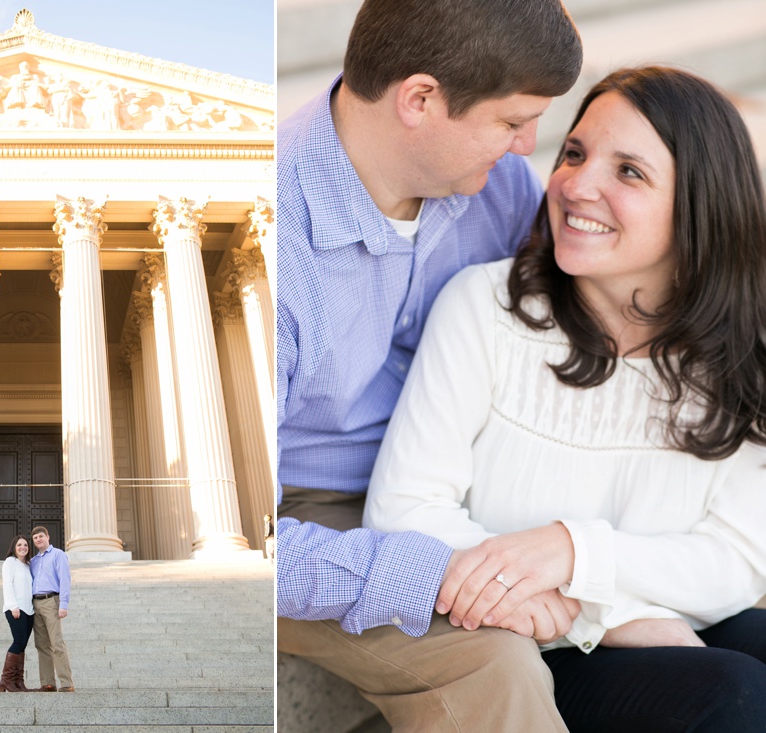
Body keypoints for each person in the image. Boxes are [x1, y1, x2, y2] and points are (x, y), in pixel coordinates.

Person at [365, 66, 766, 731]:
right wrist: (608, 614)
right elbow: (404, 513)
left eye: (629, 172)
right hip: (520, 639)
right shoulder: (486, 307)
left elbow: (736, 559)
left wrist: (573, 551)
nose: (577, 185)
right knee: (734, 690)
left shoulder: (744, 355)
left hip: (670, 617)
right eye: (574, 153)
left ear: (701, 205)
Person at [276, 0, 582, 729]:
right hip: (307, 509)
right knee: (496, 664)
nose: (529, 147)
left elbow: (568, 310)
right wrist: (440, 574)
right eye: (513, 122)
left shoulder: (491, 184)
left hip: (457, 463)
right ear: (419, 99)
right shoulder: (272, 243)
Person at [30, 526, 74, 692]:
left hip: (51, 601)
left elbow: (65, 579)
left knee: (56, 643)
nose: (38, 539)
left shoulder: (58, 554)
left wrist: (63, 604)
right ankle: (48, 683)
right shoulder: (33, 561)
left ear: (48, 536)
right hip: (36, 604)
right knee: (42, 645)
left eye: (41, 536)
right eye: (35, 538)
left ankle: (66, 683)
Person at [0, 534, 34, 692]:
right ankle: (6, 680)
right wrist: (13, 606)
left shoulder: (27, 565)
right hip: (15, 609)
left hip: (28, 610)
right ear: (14, 547)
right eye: (19, 545)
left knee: (23, 646)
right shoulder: (10, 562)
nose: (23, 548)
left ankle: (19, 682)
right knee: (18, 642)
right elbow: (7, 584)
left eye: (25, 545)